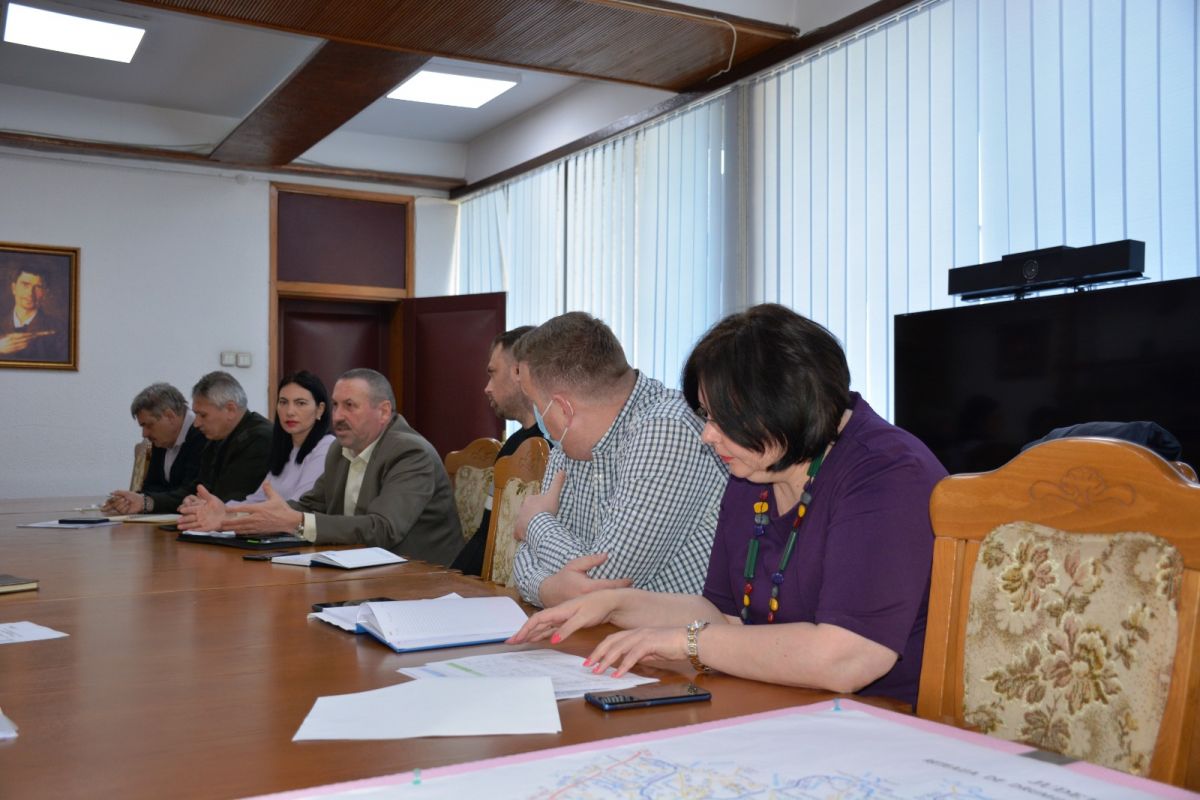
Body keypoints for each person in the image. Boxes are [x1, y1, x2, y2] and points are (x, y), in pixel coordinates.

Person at [510, 304, 947, 709]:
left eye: (721, 418)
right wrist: (615, 605)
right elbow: (721, 617)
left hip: (881, 718)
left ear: (781, 405)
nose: (707, 435)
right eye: (707, 415)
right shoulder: (756, 470)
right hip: (776, 702)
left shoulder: (885, 472)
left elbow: (846, 658)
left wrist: (687, 642)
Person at [509, 312, 728, 608]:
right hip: (604, 630)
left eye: (536, 404)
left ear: (563, 409)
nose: (537, 416)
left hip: (679, 635)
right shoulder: (568, 444)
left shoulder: (667, 429)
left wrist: (536, 522)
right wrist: (548, 589)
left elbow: (606, 580)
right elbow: (525, 558)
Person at [179, 368, 463, 565]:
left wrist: (297, 522)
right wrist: (229, 517)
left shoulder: (410, 452)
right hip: (361, 567)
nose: (337, 416)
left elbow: (384, 528)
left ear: (384, 411)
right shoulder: (340, 450)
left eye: (350, 406)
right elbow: (309, 505)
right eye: (336, 405)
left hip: (422, 576)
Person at [451, 326, 545, 576]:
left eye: (493, 374)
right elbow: (487, 537)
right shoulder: (513, 445)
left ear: (519, 372)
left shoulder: (558, 447)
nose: (487, 388)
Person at [106, 371, 272, 513]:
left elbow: (232, 498)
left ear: (230, 409)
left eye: (203, 415)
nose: (196, 423)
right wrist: (146, 502)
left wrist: (195, 502)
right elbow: (197, 488)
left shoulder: (261, 438)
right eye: (196, 414)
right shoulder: (217, 437)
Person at [233, 370, 335, 504]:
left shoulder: (326, 447)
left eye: (300, 403)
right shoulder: (286, 447)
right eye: (283, 402)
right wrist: (221, 509)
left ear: (320, 409)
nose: (289, 411)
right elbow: (256, 499)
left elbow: (300, 505)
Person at [103, 383, 205, 508]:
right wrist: (128, 501)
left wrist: (146, 502)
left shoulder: (203, 434)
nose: (144, 434)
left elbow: (192, 493)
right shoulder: (163, 438)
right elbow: (151, 487)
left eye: (149, 425)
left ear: (170, 416)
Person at [0, 265, 67, 362]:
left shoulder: (60, 329)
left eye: (38, 287)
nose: (30, 293)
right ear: (14, 288)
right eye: (25, 285)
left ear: (45, 293)